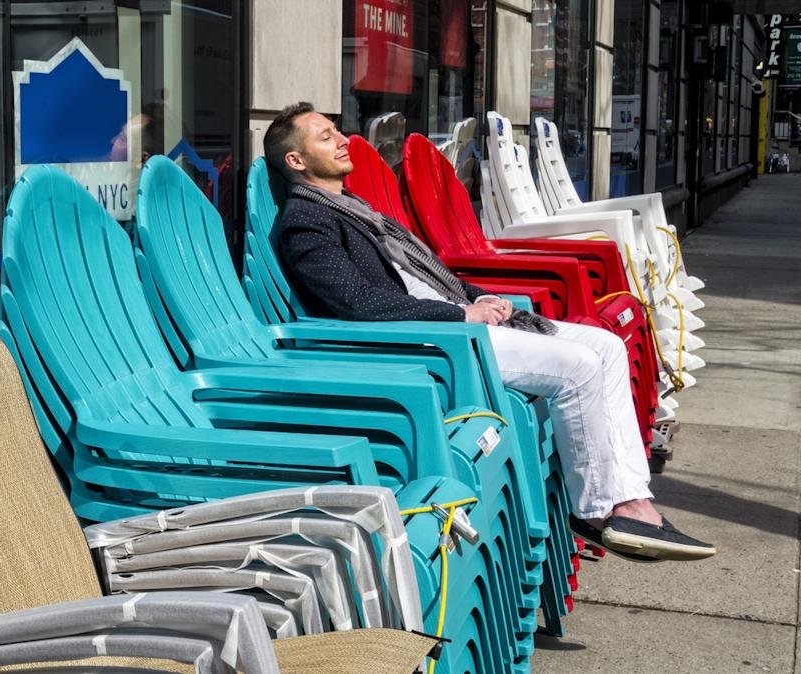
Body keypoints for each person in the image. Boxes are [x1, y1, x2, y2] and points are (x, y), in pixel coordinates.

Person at [263, 102, 715, 562]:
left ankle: (631, 499)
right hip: (431, 343)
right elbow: (357, 303)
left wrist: (481, 298)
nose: (342, 140)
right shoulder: (307, 221)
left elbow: (428, 276)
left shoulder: (353, 208)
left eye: (337, 130)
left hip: (451, 323)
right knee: (579, 368)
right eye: (325, 137)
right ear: (296, 160)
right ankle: (600, 510)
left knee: (606, 344)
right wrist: (461, 316)